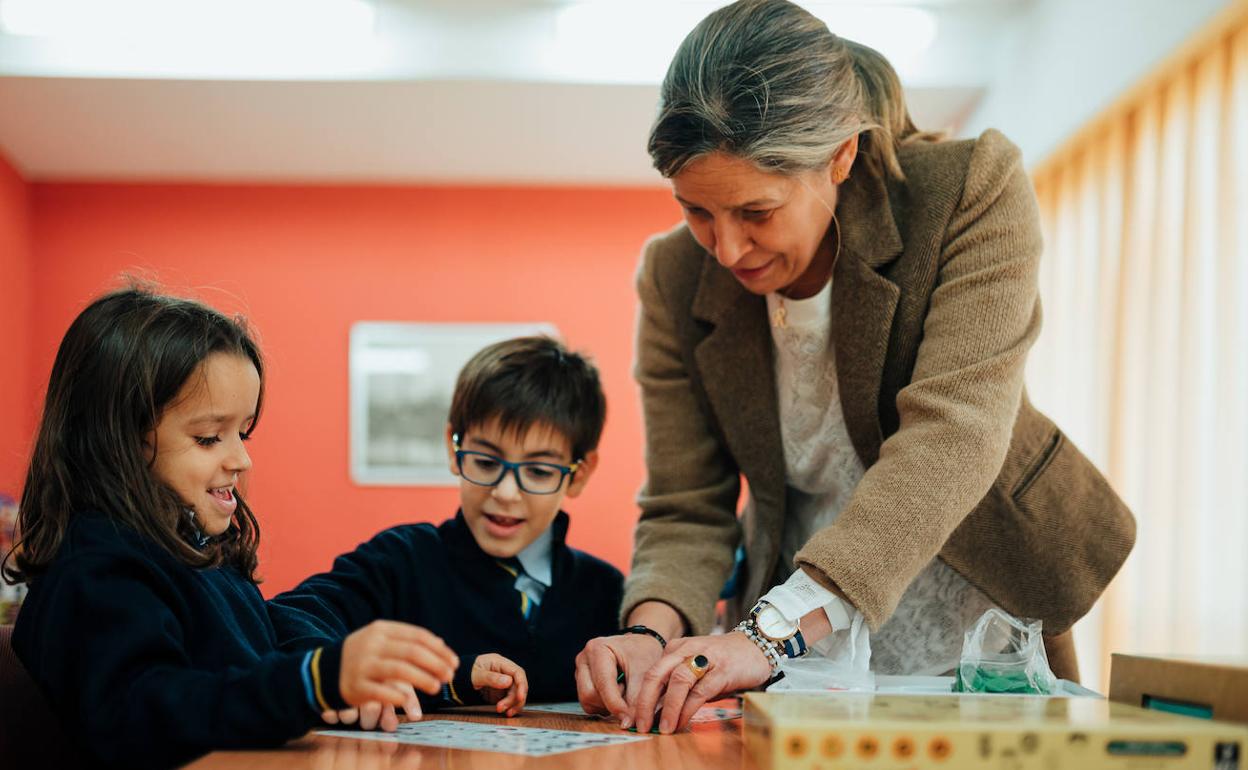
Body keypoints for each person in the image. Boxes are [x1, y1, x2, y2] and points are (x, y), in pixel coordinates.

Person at [575, 0, 1135, 734]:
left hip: (978, 624)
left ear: (840, 156)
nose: (727, 248)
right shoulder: (674, 275)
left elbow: (953, 434)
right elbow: (689, 502)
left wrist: (770, 633)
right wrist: (648, 637)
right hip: (795, 651)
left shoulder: (971, 190)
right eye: (696, 211)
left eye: (757, 211)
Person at [3, 288, 458, 769]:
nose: (241, 459)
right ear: (119, 442)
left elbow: (270, 642)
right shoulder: (97, 572)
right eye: (208, 438)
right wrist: (313, 682)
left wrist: (348, 676)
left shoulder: (201, 556)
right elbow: (150, 713)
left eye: (243, 432)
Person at [270, 336, 623, 721]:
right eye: (486, 462)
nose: (505, 493)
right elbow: (287, 619)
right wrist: (343, 674)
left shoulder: (606, 591)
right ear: (454, 448)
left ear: (579, 474)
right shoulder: (401, 561)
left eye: (538, 471)